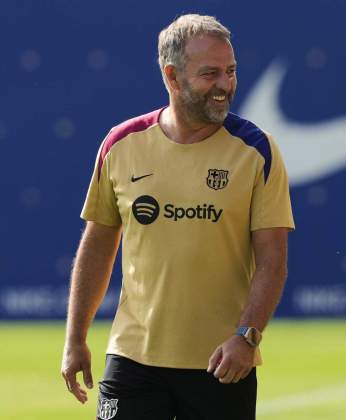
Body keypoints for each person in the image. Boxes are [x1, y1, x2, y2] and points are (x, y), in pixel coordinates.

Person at [60, 14, 295, 420]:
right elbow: (98, 245)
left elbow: (273, 262)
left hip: (222, 364)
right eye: (210, 74)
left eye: (231, 71)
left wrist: (247, 337)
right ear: (172, 76)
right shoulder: (121, 145)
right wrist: (75, 337)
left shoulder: (257, 150)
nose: (225, 85)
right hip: (132, 358)